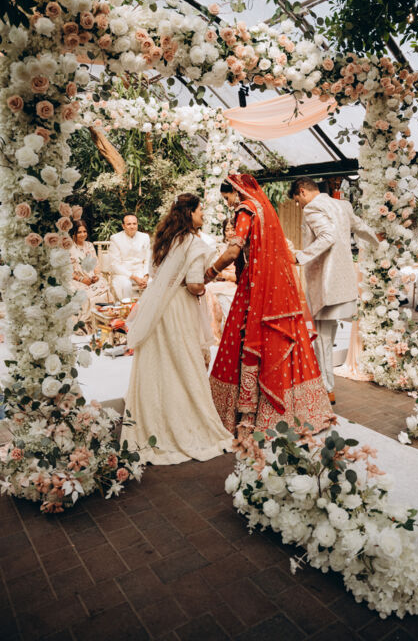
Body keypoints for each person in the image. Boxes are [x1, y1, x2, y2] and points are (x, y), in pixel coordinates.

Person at [206, 174, 334, 438]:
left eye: (227, 198)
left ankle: (249, 413)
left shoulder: (245, 210)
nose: (229, 204)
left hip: (255, 288)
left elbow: (233, 251)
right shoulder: (265, 209)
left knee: (249, 341)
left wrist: (210, 272)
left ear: (236, 191)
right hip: (276, 288)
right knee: (279, 341)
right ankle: (297, 411)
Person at [120, 194, 232, 465]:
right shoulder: (194, 243)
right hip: (179, 308)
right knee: (184, 364)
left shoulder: (164, 239)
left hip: (156, 307)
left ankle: (154, 424)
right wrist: (206, 283)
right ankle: (184, 424)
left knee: (158, 366)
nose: (203, 214)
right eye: (200, 210)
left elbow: (155, 274)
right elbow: (194, 284)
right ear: (190, 213)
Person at [289, 177, 379, 404]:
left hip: (325, 284)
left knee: (322, 338)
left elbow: (327, 236)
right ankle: (325, 385)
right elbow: (361, 227)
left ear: (302, 191)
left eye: (297, 200)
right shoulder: (343, 205)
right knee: (327, 336)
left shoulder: (312, 208)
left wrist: (300, 257)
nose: (299, 205)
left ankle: (326, 388)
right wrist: (379, 245)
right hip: (344, 284)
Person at [70, 220, 110, 333]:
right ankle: (86, 326)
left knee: (104, 289)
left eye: (84, 231)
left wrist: (96, 276)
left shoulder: (90, 245)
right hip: (77, 280)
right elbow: (67, 270)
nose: (83, 234)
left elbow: (96, 264)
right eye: (79, 232)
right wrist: (82, 279)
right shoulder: (69, 248)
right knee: (86, 296)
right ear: (73, 233)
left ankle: (102, 324)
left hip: (92, 279)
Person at [109, 214, 151, 301]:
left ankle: (147, 308)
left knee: (152, 283)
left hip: (140, 272)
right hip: (123, 274)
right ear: (123, 226)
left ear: (137, 224)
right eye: (129, 224)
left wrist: (146, 276)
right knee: (126, 284)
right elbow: (115, 264)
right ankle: (127, 307)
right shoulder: (115, 239)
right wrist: (134, 277)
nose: (132, 226)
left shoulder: (145, 237)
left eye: (134, 224)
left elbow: (148, 259)